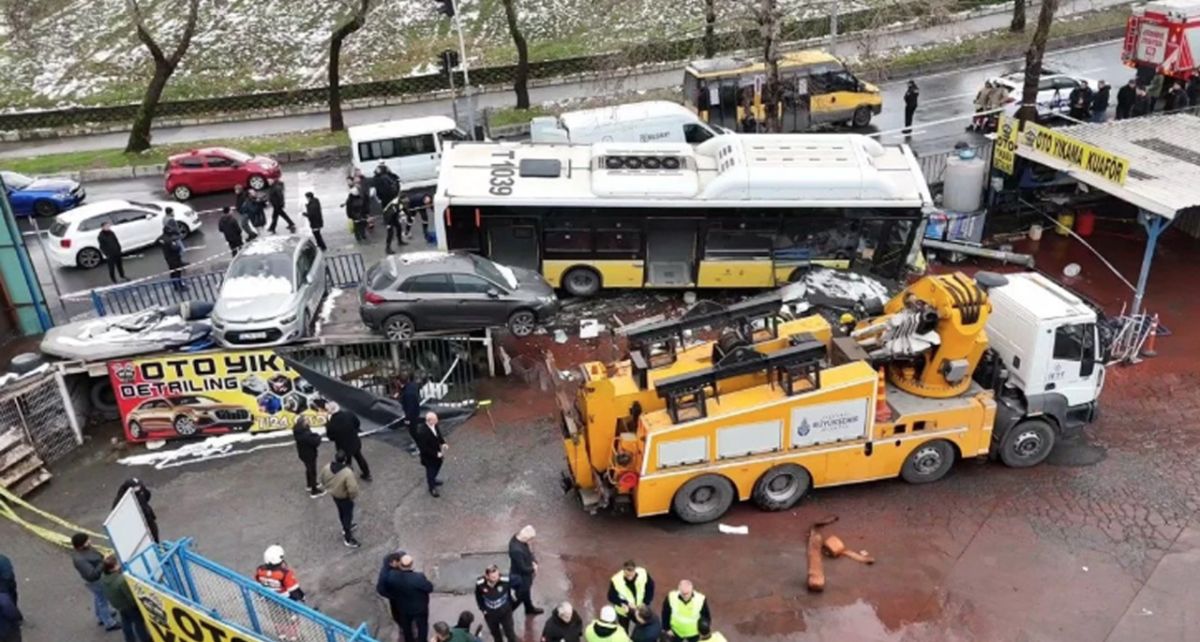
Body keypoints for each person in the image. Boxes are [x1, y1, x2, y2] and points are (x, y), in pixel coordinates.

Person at [377, 553, 432, 642]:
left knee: (406, 627)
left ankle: (409, 640)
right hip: (419, 608)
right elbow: (429, 588)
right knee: (422, 626)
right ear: (411, 564)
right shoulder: (418, 577)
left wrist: (393, 597)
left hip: (403, 607)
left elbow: (382, 588)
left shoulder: (392, 576)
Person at [70, 533, 119, 631]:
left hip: (96, 581)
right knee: (102, 600)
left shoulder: (84, 551)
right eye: (87, 541)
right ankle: (109, 623)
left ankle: (101, 616)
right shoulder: (80, 559)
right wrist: (103, 562)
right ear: (82, 545)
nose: (90, 541)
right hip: (96, 581)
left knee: (99, 598)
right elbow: (92, 575)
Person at [98, 555, 149, 642]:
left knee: (126, 621)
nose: (119, 565)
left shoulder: (103, 577)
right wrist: (137, 604)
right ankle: (145, 639)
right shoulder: (121, 580)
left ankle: (129, 639)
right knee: (139, 623)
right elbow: (130, 596)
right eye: (117, 564)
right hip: (128, 606)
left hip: (118, 604)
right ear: (112, 569)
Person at [319, 450, 361, 548]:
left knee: (341, 512)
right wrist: (351, 497)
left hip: (334, 495)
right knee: (347, 515)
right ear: (345, 459)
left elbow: (321, 479)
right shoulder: (347, 473)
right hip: (345, 497)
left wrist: (328, 488)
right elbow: (353, 489)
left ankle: (345, 527)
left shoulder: (327, 467)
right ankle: (348, 537)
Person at [324, 406, 372, 481]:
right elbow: (357, 423)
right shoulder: (349, 414)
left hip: (342, 446)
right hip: (354, 441)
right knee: (359, 457)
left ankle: (348, 477)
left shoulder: (331, 423)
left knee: (346, 461)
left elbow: (331, 437)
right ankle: (367, 474)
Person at [475, 565, 518, 642]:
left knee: (510, 634)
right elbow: (478, 597)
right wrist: (483, 609)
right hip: (490, 615)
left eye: (497, 575)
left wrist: (512, 604)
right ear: (487, 576)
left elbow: (518, 585)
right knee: (496, 635)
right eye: (493, 577)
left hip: (505, 613)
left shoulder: (505, 581)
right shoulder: (480, 584)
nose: (496, 578)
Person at [608, 560, 654, 630]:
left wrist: (645, 602)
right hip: (623, 611)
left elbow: (650, 587)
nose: (630, 578)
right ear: (623, 570)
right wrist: (624, 603)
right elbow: (611, 596)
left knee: (642, 627)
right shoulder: (616, 580)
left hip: (639, 609)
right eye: (627, 575)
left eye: (632, 574)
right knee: (624, 629)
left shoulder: (643, 574)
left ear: (635, 570)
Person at [508, 524, 543, 616]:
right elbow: (522, 568)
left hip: (524, 576)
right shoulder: (516, 550)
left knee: (526, 593)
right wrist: (533, 569)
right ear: (526, 537)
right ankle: (506, 614)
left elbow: (528, 552)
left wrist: (533, 560)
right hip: (520, 577)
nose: (530, 541)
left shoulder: (518, 539)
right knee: (519, 597)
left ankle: (529, 608)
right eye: (530, 539)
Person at [111, 478, 159, 544]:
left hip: (148, 518)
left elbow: (147, 495)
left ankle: (158, 547)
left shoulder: (141, 489)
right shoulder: (121, 500)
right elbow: (116, 512)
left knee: (154, 537)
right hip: (137, 524)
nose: (139, 489)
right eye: (136, 488)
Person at [414, 411, 447, 497]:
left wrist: (443, 443)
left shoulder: (434, 425)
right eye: (435, 419)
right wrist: (436, 454)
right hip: (429, 457)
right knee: (431, 471)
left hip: (437, 453)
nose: (437, 420)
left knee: (439, 464)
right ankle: (432, 487)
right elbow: (424, 449)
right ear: (429, 421)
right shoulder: (422, 432)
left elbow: (438, 435)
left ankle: (433, 480)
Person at [293, 417, 324, 498]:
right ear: (303, 423)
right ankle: (314, 490)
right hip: (309, 454)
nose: (308, 421)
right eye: (306, 420)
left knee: (308, 469)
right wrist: (318, 437)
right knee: (312, 471)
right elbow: (315, 441)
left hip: (303, 453)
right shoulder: (304, 434)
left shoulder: (298, 431)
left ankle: (309, 484)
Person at [397, 370, 422, 456]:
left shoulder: (408, 393)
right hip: (415, 412)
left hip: (412, 415)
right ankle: (417, 444)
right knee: (413, 431)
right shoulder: (412, 386)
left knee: (414, 432)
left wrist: (407, 419)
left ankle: (419, 447)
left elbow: (410, 408)